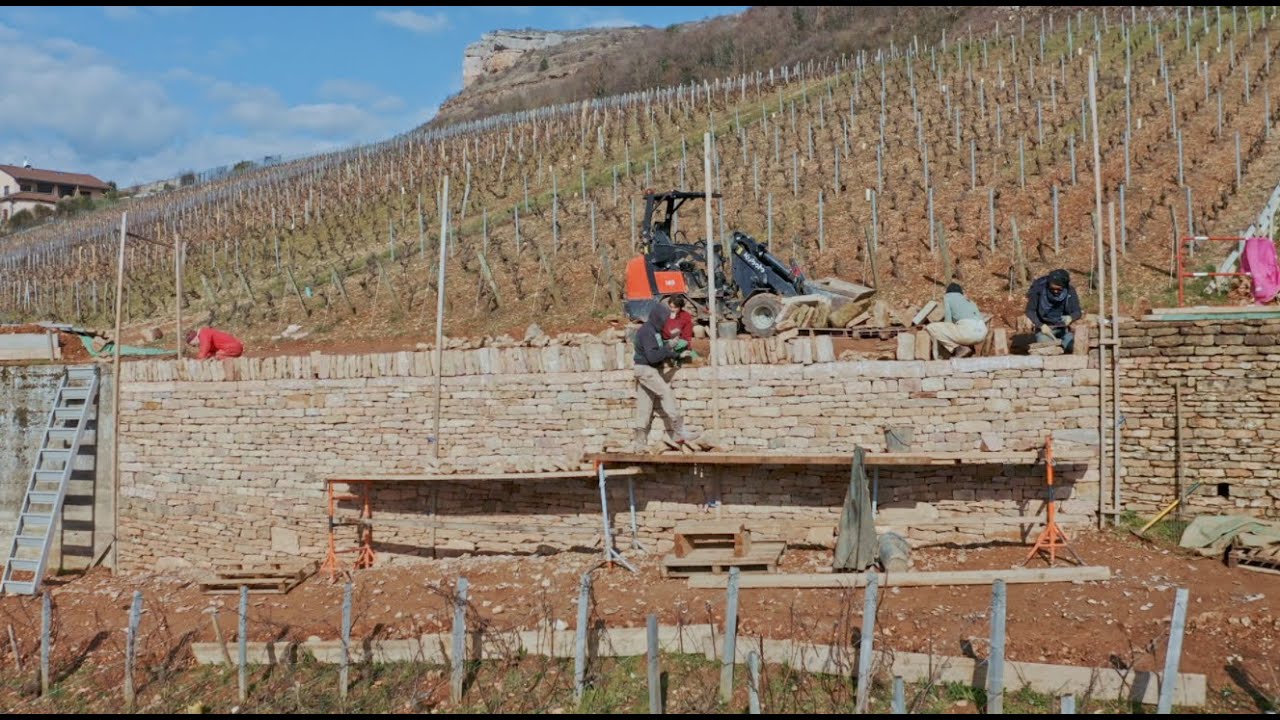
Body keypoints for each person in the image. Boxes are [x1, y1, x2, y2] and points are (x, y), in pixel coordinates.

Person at [633, 303, 697, 452]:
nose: (665, 323)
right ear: (657, 318)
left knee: (644, 406)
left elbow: (659, 350)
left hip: (645, 370)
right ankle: (679, 432)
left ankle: (639, 445)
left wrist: (676, 355)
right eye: (664, 320)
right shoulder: (647, 332)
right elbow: (653, 356)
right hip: (645, 369)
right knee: (666, 393)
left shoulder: (654, 330)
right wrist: (668, 347)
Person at [1026, 268, 1082, 352]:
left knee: (1072, 347)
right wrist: (1041, 325)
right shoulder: (1039, 290)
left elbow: (1077, 311)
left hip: (1063, 329)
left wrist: (1071, 317)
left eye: (1059, 289)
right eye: (1052, 289)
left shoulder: (1070, 291)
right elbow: (1030, 311)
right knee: (1048, 348)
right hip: (1045, 330)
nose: (1055, 291)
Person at [925, 283, 988, 358]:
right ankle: (971, 352)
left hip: (967, 332)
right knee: (962, 329)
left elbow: (948, 321)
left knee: (931, 327)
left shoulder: (947, 297)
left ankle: (958, 349)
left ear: (948, 292)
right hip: (982, 333)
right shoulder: (969, 301)